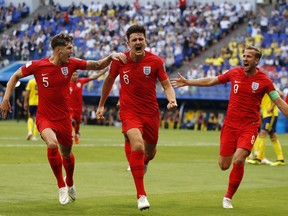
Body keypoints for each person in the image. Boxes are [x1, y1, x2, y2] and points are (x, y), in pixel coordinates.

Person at [0, 32, 127, 205]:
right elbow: (15, 76)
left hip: (64, 119)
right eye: (69, 49)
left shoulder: (72, 64)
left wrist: (110, 57)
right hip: (45, 117)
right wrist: (5, 99)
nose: (71, 51)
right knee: (52, 144)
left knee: (67, 155)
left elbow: (97, 65)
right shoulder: (38, 65)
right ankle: (61, 185)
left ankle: (70, 182)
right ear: (59, 51)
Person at [171, 45, 288, 209]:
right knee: (223, 165)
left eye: (249, 56)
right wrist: (188, 82)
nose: (245, 59)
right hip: (230, 126)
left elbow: (279, 102)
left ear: (257, 60)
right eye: (244, 55)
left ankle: (228, 197)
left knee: (239, 159)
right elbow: (212, 80)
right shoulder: (234, 73)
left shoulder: (265, 81)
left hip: (250, 126)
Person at [96, 24, 178, 211]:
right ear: (128, 43)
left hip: (150, 112)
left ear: (145, 41)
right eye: (135, 39)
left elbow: (166, 84)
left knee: (149, 153)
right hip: (129, 110)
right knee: (137, 145)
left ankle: (144, 162)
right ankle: (141, 195)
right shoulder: (120, 61)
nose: (138, 42)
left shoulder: (155, 61)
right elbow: (108, 82)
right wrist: (101, 104)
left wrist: (171, 99)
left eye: (141, 39)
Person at [69, 67, 108, 144]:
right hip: (69, 107)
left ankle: (76, 134)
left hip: (78, 107)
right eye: (73, 75)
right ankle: (71, 134)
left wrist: (103, 71)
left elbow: (93, 77)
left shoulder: (80, 81)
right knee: (69, 120)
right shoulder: (66, 84)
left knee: (78, 123)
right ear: (70, 76)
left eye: (76, 75)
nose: (75, 77)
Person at [247, 90, 285, 166]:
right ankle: (280, 159)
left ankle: (258, 158)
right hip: (266, 115)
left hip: (271, 114)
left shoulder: (269, 85)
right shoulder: (262, 87)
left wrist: (271, 107)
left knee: (262, 134)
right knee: (273, 136)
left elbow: (280, 94)